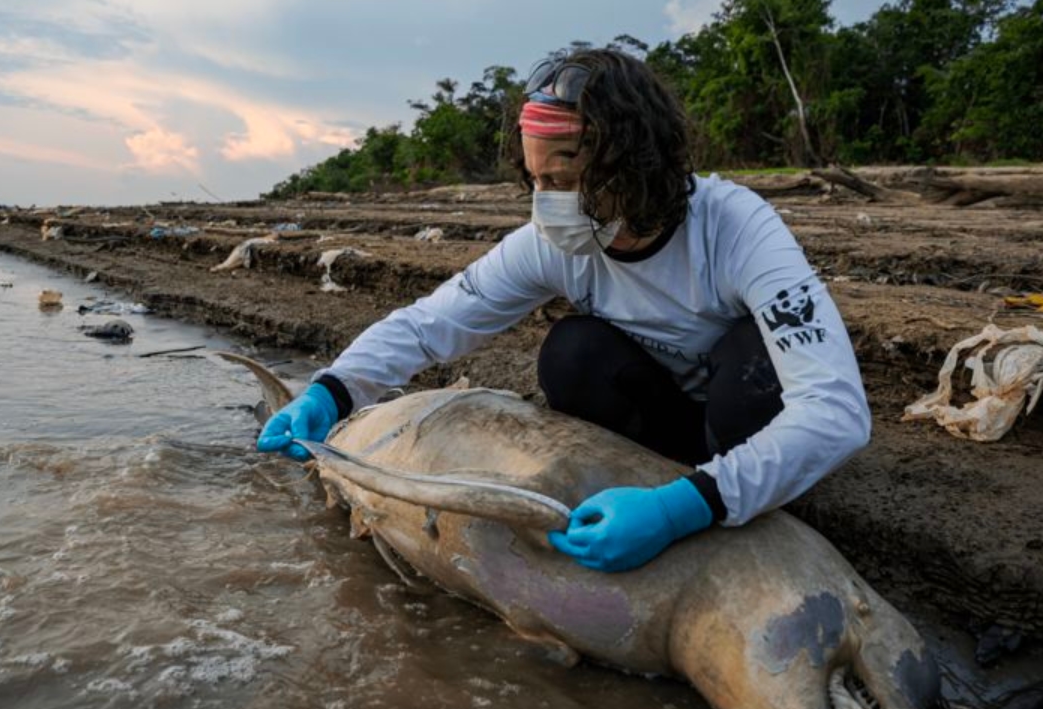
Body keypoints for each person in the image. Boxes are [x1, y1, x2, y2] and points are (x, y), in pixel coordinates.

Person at [257, 49, 870, 573]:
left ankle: (722, 497)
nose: (550, 204)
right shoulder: (554, 244)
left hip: (740, 422)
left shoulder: (736, 229)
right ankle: (653, 490)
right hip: (664, 428)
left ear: (636, 163)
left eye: (568, 178)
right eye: (537, 183)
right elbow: (433, 323)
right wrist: (332, 391)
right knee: (572, 352)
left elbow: (836, 411)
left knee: (755, 359)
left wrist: (684, 507)